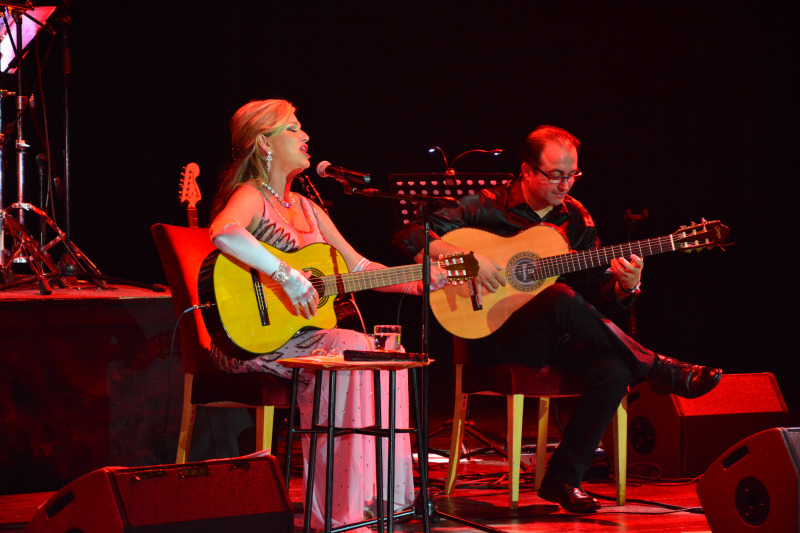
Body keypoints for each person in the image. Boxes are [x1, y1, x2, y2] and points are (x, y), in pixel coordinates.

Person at [392, 125, 722, 514]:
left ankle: (563, 478)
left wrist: (626, 286)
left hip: (553, 338)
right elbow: (410, 235)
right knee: (559, 295)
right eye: (555, 175)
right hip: (491, 334)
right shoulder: (484, 205)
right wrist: (468, 259)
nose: (565, 184)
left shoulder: (576, 218)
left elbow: (599, 292)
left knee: (614, 369)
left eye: (572, 175)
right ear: (527, 171)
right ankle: (658, 369)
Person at [207, 98, 448, 530]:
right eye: (292, 128)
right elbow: (224, 233)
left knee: (389, 351)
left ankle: (384, 500)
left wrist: (417, 282)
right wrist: (285, 275)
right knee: (350, 347)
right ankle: (338, 516)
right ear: (264, 143)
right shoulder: (251, 195)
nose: (305, 136)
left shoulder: (307, 207)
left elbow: (359, 268)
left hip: (305, 339)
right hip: (252, 340)